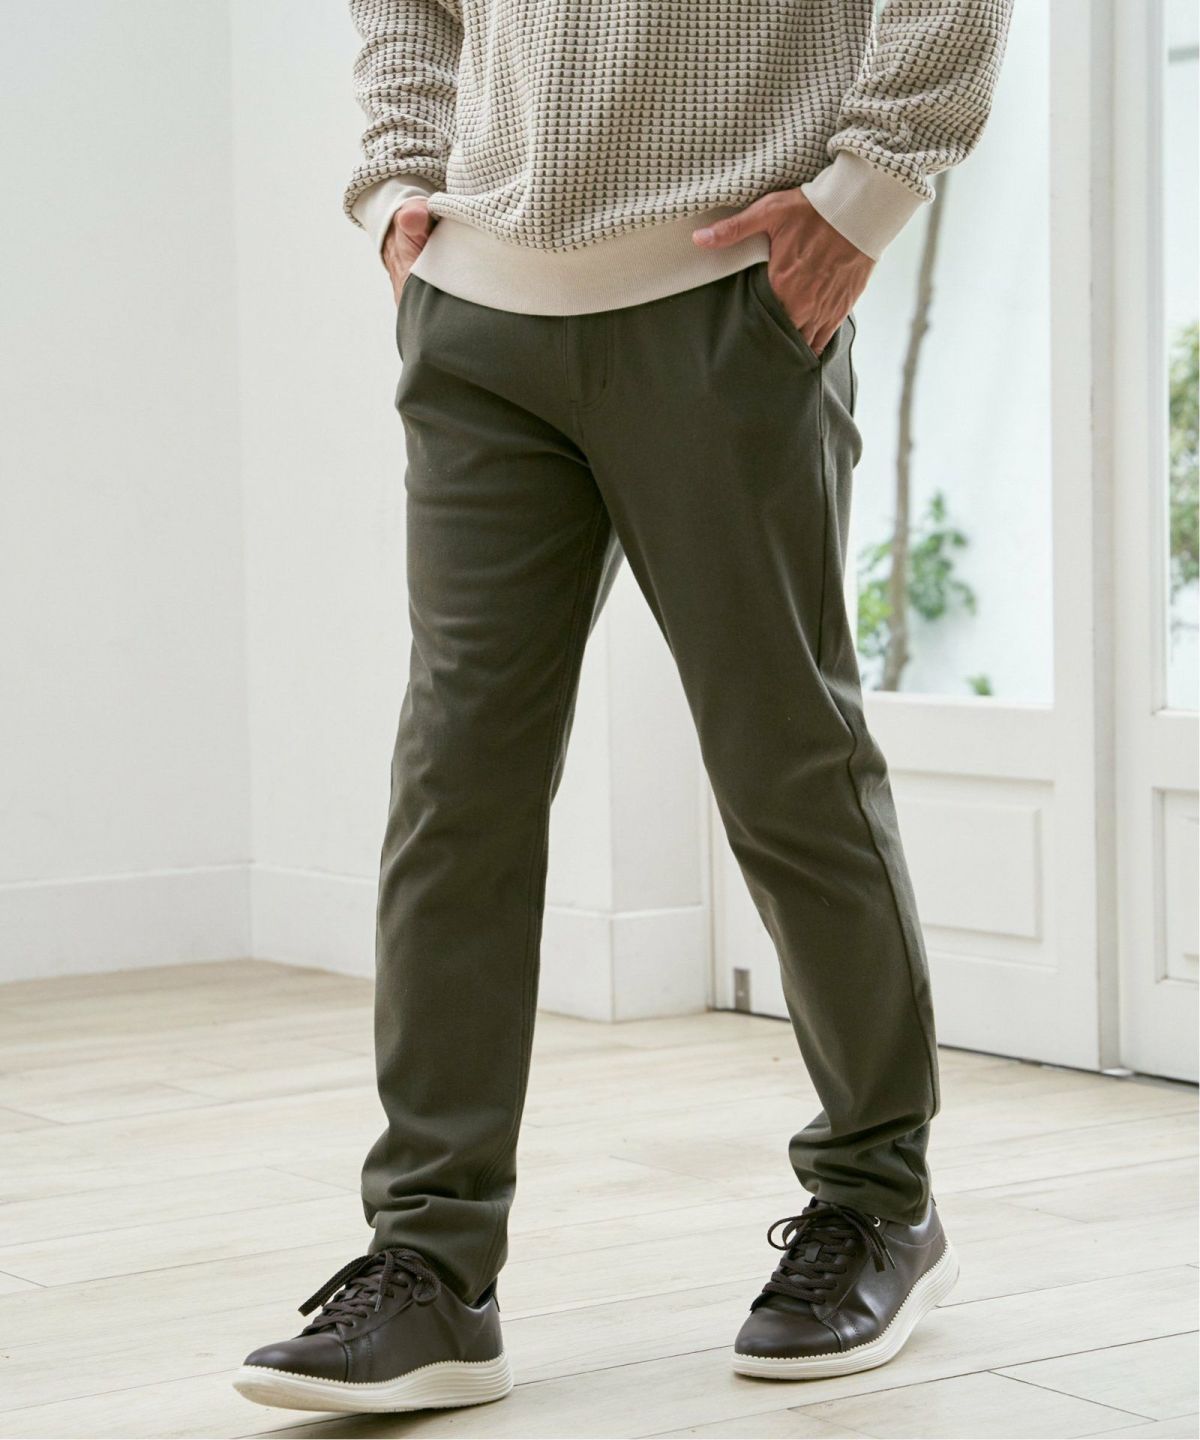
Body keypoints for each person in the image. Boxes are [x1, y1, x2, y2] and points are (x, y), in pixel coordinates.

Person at [234, 0, 1012, 1415]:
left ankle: (879, 1200)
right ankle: (431, 1263)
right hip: (479, 313)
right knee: (454, 790)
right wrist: (400, 184)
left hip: (725, 286)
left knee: (786, 764)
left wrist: (867, 190)